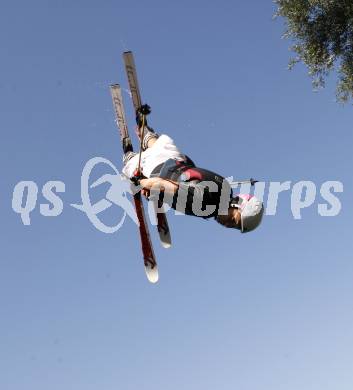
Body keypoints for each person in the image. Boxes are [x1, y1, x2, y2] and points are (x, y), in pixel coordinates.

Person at [122, 126, 264, 233]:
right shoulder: (207, 204)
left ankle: (148, 136)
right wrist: (140, 182)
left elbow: (195, 177)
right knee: (131, 171)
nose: (228, 225)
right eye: (233, 220)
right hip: (155, 168)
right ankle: (130, 156)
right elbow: (162, 185)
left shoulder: (225, 189)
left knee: (161, 150)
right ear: (237, 205)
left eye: (233, 227)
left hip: (175, 157)